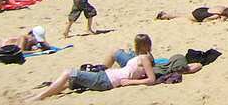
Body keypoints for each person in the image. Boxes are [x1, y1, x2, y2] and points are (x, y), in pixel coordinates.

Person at [25, 33, 156, 102]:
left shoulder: (144, 58)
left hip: (106, 80)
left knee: (68, 72)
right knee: (70, 82)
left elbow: (151, 80)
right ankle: (44, 94)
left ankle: (40, 97)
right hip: (106, 77)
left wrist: (129, 82)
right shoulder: (143, 57)